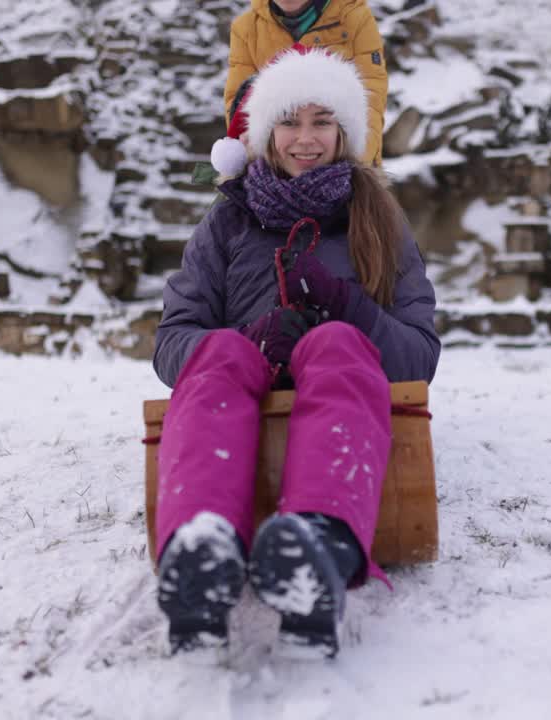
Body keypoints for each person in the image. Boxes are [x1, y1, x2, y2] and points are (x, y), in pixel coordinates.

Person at [153, 47, 439, 660]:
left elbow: (419, 358)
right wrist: (250, 341)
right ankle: (203, 554)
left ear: (344, 132)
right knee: (220, 351)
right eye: (289, 121)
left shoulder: (381, 223)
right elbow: (173, 340)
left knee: (336, 343)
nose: (305, 139)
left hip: (342, 387)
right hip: (240, 391)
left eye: (322, 121)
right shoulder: (227, 223)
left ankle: (319, 544)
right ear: (265, 133)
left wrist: (347, 305)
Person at [213, 0, 388, 175]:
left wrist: (356, 167)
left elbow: (371, 99)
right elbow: (239, 103)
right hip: (274, 165)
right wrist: (253, 161)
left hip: (343, 165)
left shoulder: (354, 17)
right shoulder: (246, 28)